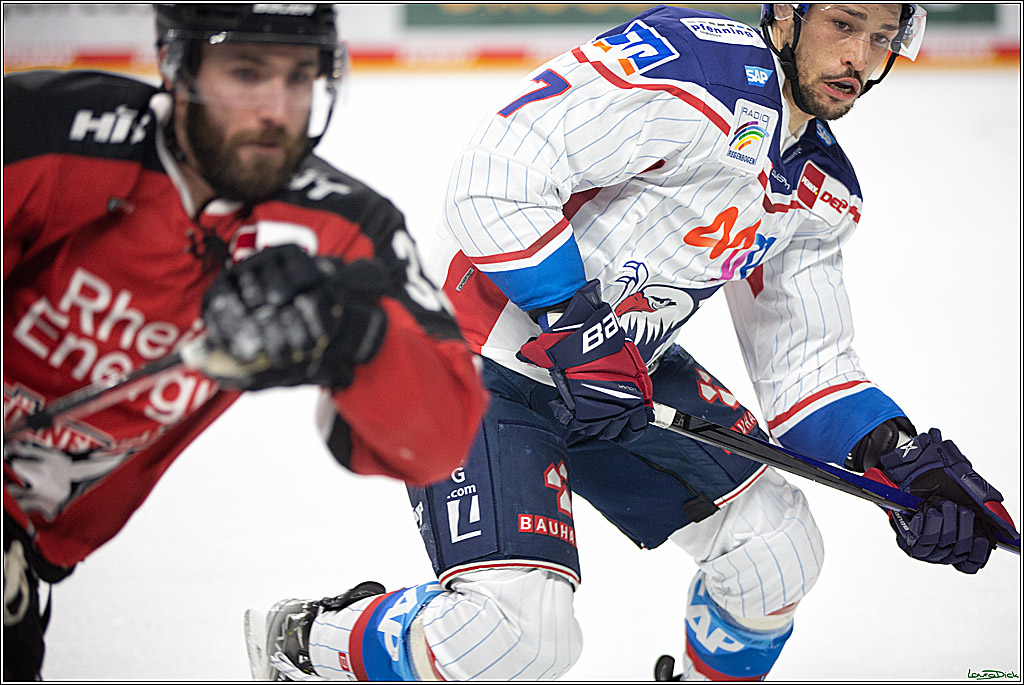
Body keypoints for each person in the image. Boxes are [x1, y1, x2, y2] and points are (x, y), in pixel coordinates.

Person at [243, 4, 1019, 681]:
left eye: (882, 38)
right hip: (472, 358)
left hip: (618, 378)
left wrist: (899, 458)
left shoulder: (821, 188)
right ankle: (306, 639)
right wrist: (578, 324)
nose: (859, 58)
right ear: (786, 13)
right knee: (514, 639)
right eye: (843, 24)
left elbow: (805, 364)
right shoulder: (697, 69)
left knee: (776, 552)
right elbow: (496, 173)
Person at [2, 4, 489, 680]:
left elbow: (440, 440)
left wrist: (356, 337)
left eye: (299, 77)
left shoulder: (343, 230)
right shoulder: (39, 134)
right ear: (175, 65)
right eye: (247, 73)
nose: (275, 109)